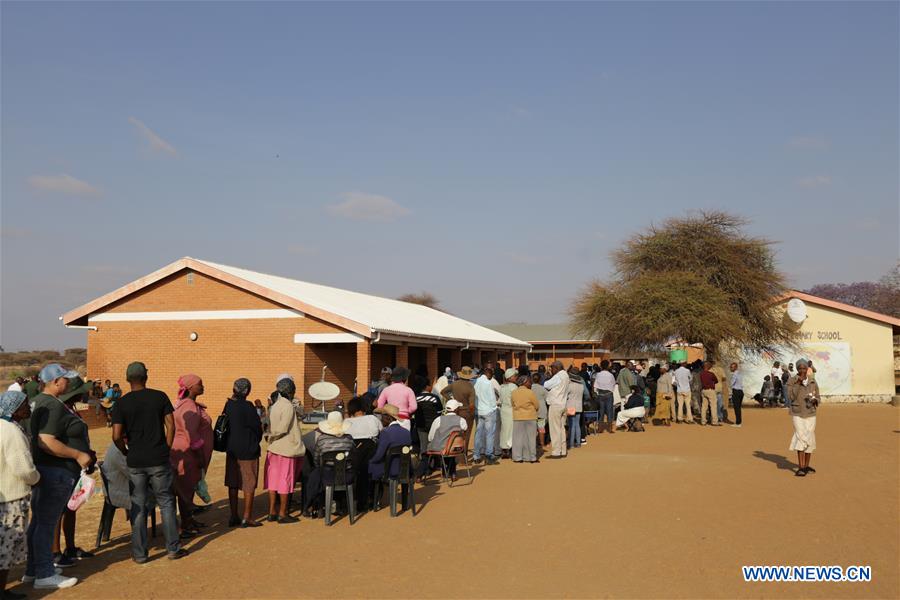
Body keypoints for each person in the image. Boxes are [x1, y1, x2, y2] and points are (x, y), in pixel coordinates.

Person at [25, 364, 96, 589]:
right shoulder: (52, 405)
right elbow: (46, 441)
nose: (68, 383)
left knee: (38, 522)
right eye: (65, 379)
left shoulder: (39, 402)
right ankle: (45, 573)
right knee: (46, 523)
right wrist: (78, 454)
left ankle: (34, 569)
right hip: (56, 470)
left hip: (46, 469)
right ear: (56, 382)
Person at [111, 362, 186, 563]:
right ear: (146, 377)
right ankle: (173, 549)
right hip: (158, 459)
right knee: (167, 502)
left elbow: (116, 435)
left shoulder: (121, 403)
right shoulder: (159, 397)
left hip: (136, 461)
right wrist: (166, 447)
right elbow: (171, 425)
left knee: (138, 505)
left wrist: (125, 451)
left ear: (128, 379)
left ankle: (140, 553)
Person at [51, 376, 95, 567]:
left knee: (71, 508)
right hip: (62, 467)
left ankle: (70, 547)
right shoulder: (59, 412)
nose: (87, 393)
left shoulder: (71, 410)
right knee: (58, 511)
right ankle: (55, 552)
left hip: (75, 468)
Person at [1, 390, 40, 600]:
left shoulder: (3, 427)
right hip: (12, 497)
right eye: (25, 404)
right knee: (6, 547)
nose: (28, 408)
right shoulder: (12, 432)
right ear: (15, 409)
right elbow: (23, 467)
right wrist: (37, 478)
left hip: (4, 495)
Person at [170, 374, 207, 534]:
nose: (203, 386)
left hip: (178, 450)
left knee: (184, 487)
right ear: (191, 388)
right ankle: (185, 523)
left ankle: (189, 520)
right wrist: (199, 455)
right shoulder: (190, 407)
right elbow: (191, 432)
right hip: (188, 452)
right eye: (200, 384)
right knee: (186, 487)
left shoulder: (182, 404)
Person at [222, 378, 262, 528]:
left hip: (232, 448)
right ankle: (247, 517)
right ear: (247, 391)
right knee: (249, 481)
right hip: (248, 449)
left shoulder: (229, 405)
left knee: (233, 481)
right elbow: (257, 428)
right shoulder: (248, 406)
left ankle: (234, 516)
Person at [264, 377, 304, 524]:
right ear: (291, 391)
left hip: (274, 448)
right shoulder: (287, 406)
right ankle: (282, 513)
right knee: (285, 480)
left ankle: (271, 512)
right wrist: (271, 435)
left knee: (273, 480)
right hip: (286, 448)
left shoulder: (275, 405)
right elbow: (283, 428)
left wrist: (270, 437)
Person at [369, 404, 412, 510]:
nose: (381, 420)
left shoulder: (386, 432)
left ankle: (375, 501)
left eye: (382, 417)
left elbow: (379, 455)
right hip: (406, 469)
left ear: (388, 417)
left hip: (391, 470)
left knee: (372, 465)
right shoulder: (406, 432)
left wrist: (371, 461)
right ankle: (405, 503)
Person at [344, 397, 382, 510]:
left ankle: (353, 501)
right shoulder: (372, 418)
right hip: (371, 453)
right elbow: (381, 431)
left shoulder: (346, 422)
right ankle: (373, 500)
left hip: (352, 455)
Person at [788, 359, 820, 477]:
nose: (802, 370)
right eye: (800, 368)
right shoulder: (792, 380)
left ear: (807, 369)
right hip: (798, 413)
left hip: (811, 413)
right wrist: (798, 383)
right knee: (801, 436)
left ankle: (806, 466)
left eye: (804, 368)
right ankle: (801, 467)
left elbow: (817, 395)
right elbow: (791, 396)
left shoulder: (812, 380)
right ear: (797, 369)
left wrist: (816, 400)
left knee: (810, 437)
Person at [426, 399, 468, 481]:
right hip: (457, 448)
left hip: (441, 448)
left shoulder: (438, 420)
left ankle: (445, 472)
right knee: (451, 446)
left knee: (443, 446)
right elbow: (465, 430)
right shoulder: (461, 420)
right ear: (456, 409)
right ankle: (452, 473)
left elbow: (430, 437)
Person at [440, 366, 477, 440]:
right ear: (469, 376)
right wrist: (472, 415)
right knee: (466, 434)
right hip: (467, 413)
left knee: (455, 433)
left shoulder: (454, 384)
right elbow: (472, 405)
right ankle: (464, 450)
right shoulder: (470, 387)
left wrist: (452, 400)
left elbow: (443, 392)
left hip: (456, 411)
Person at [542, 361, 569, 458]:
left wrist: (549, 377)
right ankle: (563, 450)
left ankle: (556, 452)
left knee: (555, 429)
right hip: (563, 404)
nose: (551, 370)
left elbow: (546, 384)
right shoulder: (566, 375)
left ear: (557, 368)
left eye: (552, 368)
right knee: (561, 428)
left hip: (555, 405)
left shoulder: (558, 376)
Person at [473, 367, 499, 465]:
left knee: (478, 433)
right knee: (489, 434)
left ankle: (476, 455)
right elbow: (492, 398)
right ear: (489, 374)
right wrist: (494, 408)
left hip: (478, 411)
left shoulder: (475, 382)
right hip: (488, 411)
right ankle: (489, 454)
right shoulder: (488, 383)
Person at [510, 376, 539, 463]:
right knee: (531, 438)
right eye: (529, 382)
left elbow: (512, 404)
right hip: (530, 417)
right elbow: (537, 405)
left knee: (518, 438)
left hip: (518, 417)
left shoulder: (514, 392)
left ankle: (518, 457)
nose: (530, 383)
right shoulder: (530, 392)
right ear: (524, 382)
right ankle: (531, 457)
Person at [498, 369, 517, 458]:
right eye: (514, 376)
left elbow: (500, 400)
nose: (516, 377)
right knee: (511, 430)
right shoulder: (513, 387)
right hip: (511, 410)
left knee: (504, 430)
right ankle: (510, 448)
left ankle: (504, 449)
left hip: (503, 410)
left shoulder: (502, 387)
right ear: (510, 377)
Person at [593, 360, 616, 433]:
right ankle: (610, 429)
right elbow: (613, 385)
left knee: (601, 411)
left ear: (601, 366)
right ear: (608, 366)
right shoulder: (610, 375)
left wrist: (597, 393)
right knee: (610, 411)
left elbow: (595, 385)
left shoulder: (598, 374)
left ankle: (600, 429)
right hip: (609, 394)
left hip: (600, 394)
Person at [566, 367, 584, 449]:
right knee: (577, 425)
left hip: (570, 406)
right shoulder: (581, 385)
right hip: (579, 406)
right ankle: (578, 442)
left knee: (571, 425)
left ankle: (571, 443)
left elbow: (565, 395)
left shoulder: (569, 385)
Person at [531, 372, 549, 451]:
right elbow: (548, 399)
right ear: (540, 380)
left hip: (532, 411)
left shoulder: (529, 388)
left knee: (532, 429)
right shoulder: (543, 389)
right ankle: (542, 444)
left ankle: (533, 444)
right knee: (541, 428)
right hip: (541, 410)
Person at [698, 361, 719, 426]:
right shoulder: (711, 374)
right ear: (707, 366)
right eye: (710, 365)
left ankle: (703, 421)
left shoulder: (701, 374)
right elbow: (716, 381)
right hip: (710, 390)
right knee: (713, 406)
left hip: (703, 390)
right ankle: (714, 421)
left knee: (704, 406)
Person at [729, 362, 744, 428]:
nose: (730, 368)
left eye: (732, 367)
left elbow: (732, 383)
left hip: (736, 391)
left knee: (736, 408)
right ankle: (739, 421)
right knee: (738, 408)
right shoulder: (740, 374)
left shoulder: (734, 374)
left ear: (735, 367)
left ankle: (738, 423)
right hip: (740, 391)